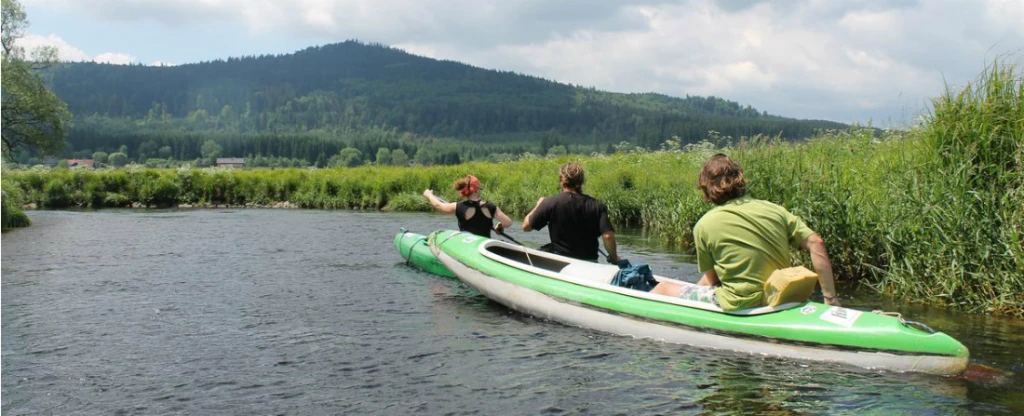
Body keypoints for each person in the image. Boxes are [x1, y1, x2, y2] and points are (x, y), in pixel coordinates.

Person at [650, 154, 841, 310]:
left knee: (663, 287)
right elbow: (816, 242)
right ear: (740, 180)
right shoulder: (775, 210)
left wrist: (690, 294)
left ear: (707, 189)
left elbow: (712, 281)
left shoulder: (704, 225)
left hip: (742, 303)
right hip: (781, 297)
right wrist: (830, 298)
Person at [522, 162, 620, 264]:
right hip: (590, 263)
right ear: (581, 182)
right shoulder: (597, 205)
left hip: (560, 262)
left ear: (562, 182)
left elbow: (526, 227)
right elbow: (608, 236)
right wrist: (614, 257)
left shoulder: (550, 202)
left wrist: (538, 205)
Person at [423, 175, 512, 238]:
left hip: (466, 245)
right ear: (476, 190)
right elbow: (508, 222)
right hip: (483, 244)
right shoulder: (491, 207)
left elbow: (438, 205)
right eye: (480, 188)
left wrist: (429, 195)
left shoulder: (458, 206)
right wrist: (499, 226)